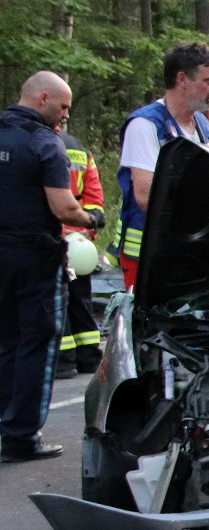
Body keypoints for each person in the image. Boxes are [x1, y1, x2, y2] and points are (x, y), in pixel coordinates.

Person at [0, 72, 103, 463]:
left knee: (6, 341)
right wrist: (92, 218)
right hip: (35, 258)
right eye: (62, 107)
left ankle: (4, 425)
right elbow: (64, 208)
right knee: (38, 344)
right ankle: (22, 437)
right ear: (42, 98)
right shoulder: (45, 143)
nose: (64, 117)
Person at [112, 42, 209, 289]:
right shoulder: (145, 125)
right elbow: (145, 196)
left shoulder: (200, 123)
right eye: (208, 81)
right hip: (147, 254)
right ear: (182, 79)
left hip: (187, 248)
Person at [56, 127, 105, 378]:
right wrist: (89, 227)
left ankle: (63, 360)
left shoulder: (38, 143)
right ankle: (87, 356)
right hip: (79, 241)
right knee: (79, 296)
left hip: (56, 237)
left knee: (58, 297)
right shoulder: (79, 148)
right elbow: (94, 194)